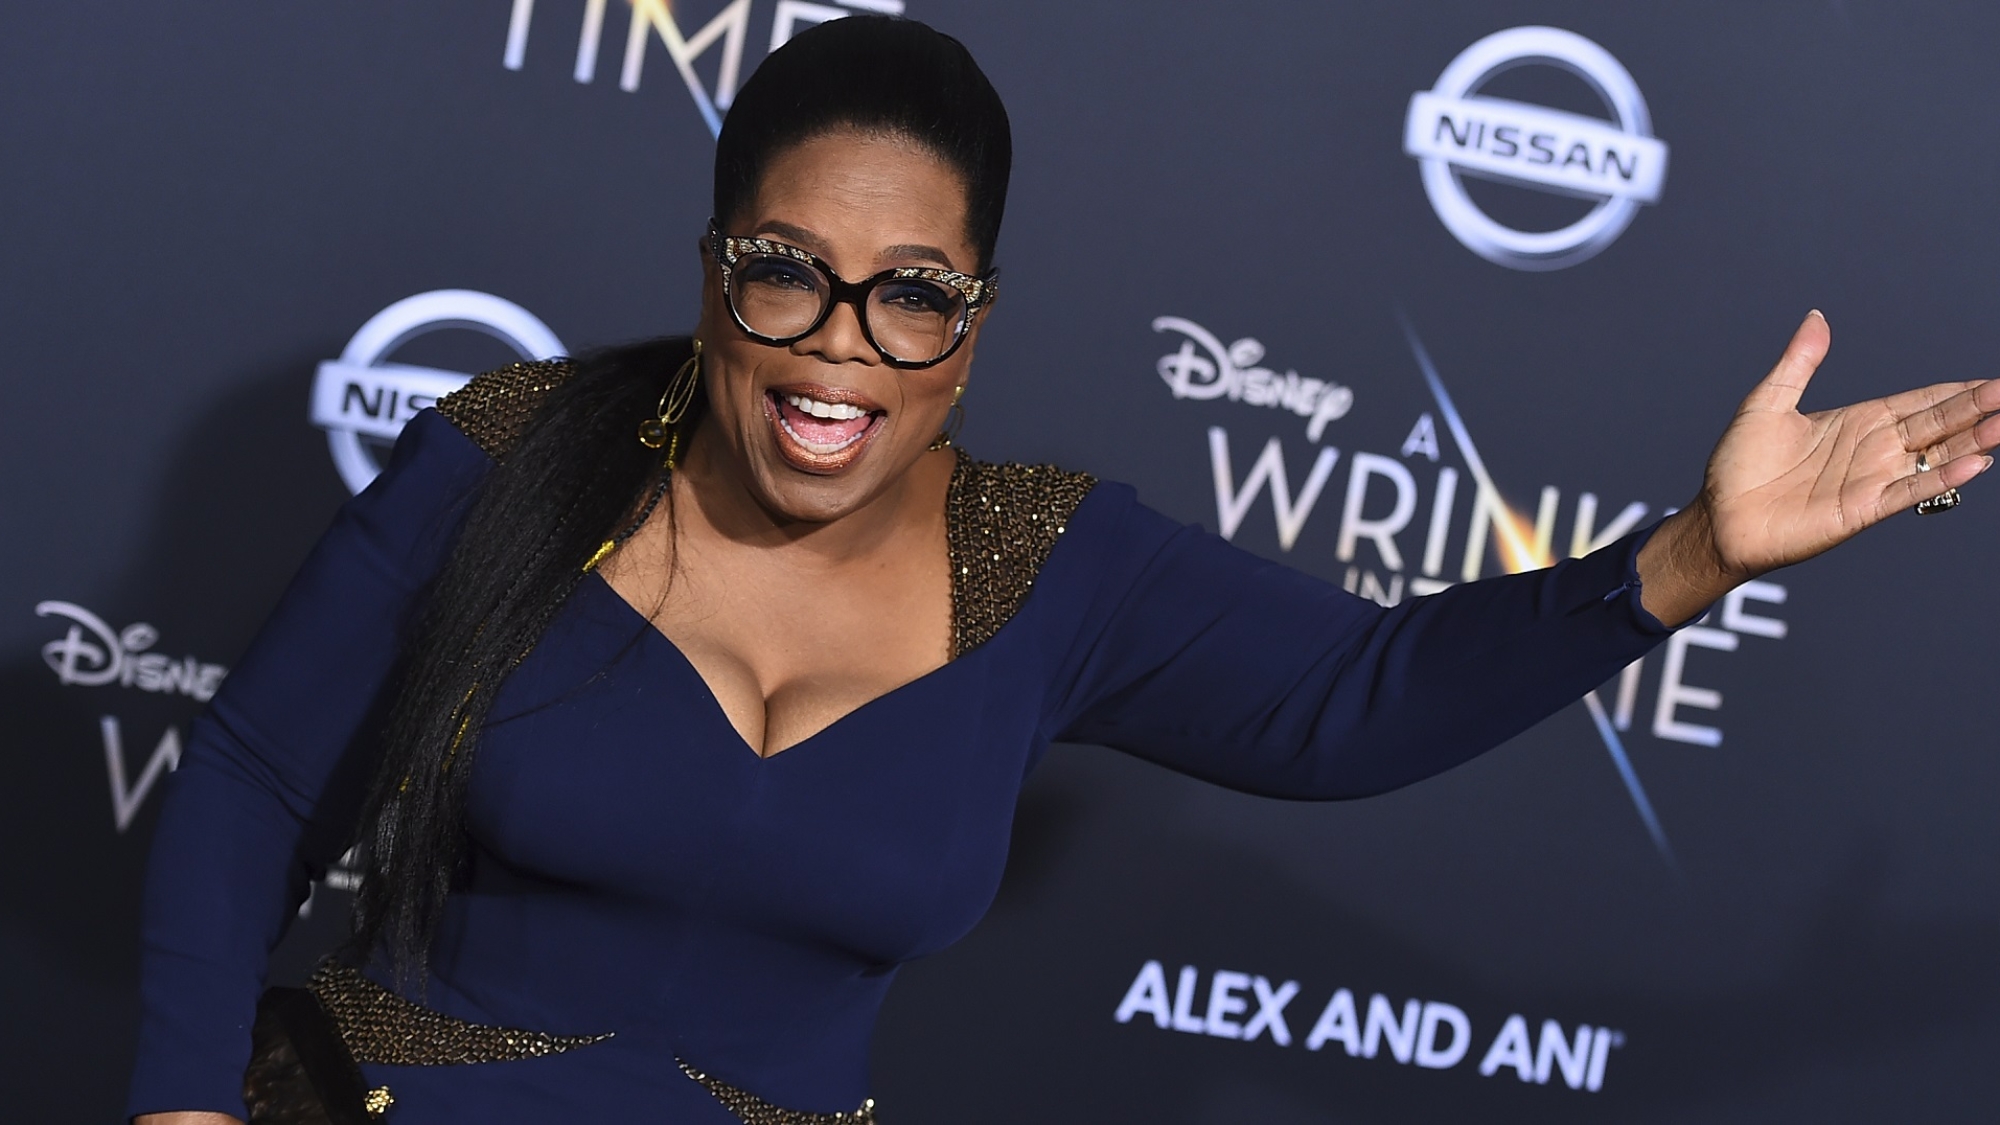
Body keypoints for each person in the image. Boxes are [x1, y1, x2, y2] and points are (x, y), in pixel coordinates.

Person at [128, 16, 1996, 1125]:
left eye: (913, 293)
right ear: (714, 270)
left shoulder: (1055, 566)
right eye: (787, 269)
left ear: (979, 319)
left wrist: (1685, 555)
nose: (838, 345)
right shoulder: (517, 452)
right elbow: (258, 779)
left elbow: (1357, 703)